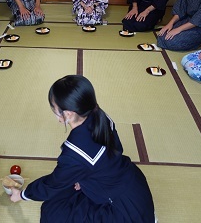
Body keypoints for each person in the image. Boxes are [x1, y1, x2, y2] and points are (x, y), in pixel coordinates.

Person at [9, 75, 156, 222]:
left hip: (121, 209)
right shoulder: (100, 114)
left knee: (52, 212)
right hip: (132, 182)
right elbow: (113, 153)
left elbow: (53, 183)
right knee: (66, 193)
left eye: (54, 109)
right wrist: (86, 178)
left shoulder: (74, 152)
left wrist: (22, 195)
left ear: (67, 114)